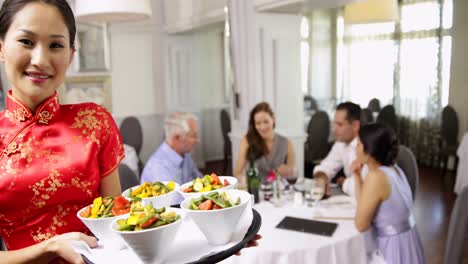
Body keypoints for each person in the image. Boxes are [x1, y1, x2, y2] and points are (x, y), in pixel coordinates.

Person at [0, 0, 124, 262]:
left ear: (70, 54)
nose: (40, 60)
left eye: (56, 45)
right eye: (26, 41)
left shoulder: (95, 121)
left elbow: (117, 221)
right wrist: (50, 246)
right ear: (1, 47)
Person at [353, 123, 425, 264]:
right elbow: (364, 205)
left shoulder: (376, 177)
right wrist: (356, 176)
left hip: (392, 248)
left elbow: (361, 224)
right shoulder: (395, 170)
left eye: (359, 144)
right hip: (408, 242)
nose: (355, 148)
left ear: (370, 149)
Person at [234, 102, 295, 183]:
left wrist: (287, 171)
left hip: (277, 192)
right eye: (258, 123)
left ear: (273, 119)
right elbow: (237, 173)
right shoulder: (247, 141)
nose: (262, 127)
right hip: (254, 190)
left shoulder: (287, 143)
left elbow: (292, 173)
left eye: (266, 122)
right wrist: (246, 183)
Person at [313, 102, 362, 196]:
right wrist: (321, 179)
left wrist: (342, 182)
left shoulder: (367, 146)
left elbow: (362, 188)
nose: (334, 130)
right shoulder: (341, 143)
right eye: (334, 124)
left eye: (339, 125)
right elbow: (326, 166)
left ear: (355, 125)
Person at [140, 111, 202, 185]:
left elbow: (199, 180)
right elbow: (175, 197)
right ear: (177, 138)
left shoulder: (184, 153)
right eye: (193, 136)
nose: (197, 140)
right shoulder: (159, 168)